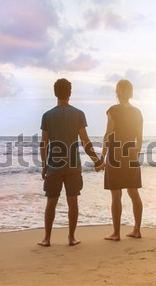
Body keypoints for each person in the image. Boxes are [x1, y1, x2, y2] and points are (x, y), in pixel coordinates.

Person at [38, 78, 103, 247]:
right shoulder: (78, 114)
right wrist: (96, 160)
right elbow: (85, 141)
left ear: (55, 93)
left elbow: (44, 143)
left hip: (54, 165)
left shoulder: (47, 116)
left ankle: (47, 239)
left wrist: (44, 165)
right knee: (72, 201)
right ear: (70, 93)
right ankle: (71, 237)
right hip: (73, 165)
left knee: (51, 200)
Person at [101, 79, 143, 241]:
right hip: (131, 152)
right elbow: (139, 138)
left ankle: (116, 233)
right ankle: (137, 230)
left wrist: (102, 157)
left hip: (116, 154)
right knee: (133, 192)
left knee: (116, 194)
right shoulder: (138, 112)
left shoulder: (113, 110)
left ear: (117, 93)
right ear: (131, 93)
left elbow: (108, 135)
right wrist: (135, 156)